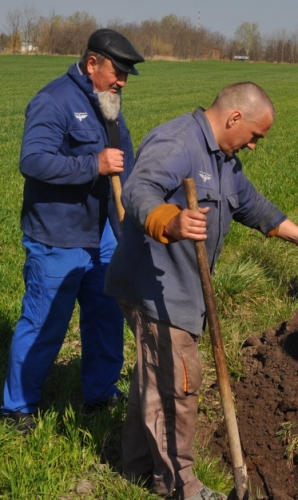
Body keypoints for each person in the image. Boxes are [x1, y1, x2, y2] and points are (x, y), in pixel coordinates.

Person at [104, 82, 298, 500]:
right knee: (179, 384)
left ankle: (137, 468)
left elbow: (250, 204)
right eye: (255, 136)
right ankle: (180, 485)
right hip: (156, 286)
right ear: (234, 119)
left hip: (182, 288)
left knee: (154, 378)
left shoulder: (223, 158)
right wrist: (169, 221)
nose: (254, 146)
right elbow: (139, 189)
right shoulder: (179, 141)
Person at [1, 28, 144, 432]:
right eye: (117, 71)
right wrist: (91, 166)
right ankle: (17, 408)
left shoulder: (110, 104)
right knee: (45, 322)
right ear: (92, 62)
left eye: (127, 75)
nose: (122, 81)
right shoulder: (54, 100)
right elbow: (32, 160)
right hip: (57, 236)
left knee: (105, 319)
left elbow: (124, 164)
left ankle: (99, 394)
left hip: (103, 235)